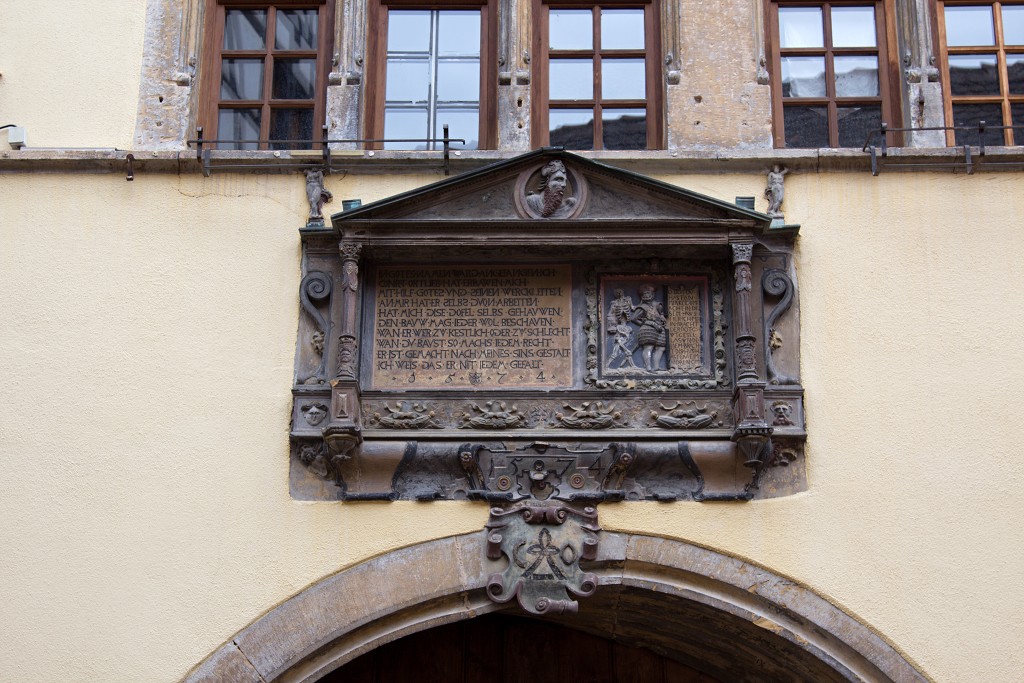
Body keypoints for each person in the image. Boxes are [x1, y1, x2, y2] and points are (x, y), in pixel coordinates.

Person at [633, 285, 667, 372]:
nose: (647, 296)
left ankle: (656, 367)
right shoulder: (642, 307)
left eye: (648, 294)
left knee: (661, 347)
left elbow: (661, 313)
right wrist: (646, 323)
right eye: (644, 294)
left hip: (659, 328)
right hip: (648, 329)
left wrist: (662, 317)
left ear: (652, 295)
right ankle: (648, 367)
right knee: (649, 347)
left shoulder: (657, 305)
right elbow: (634, 318)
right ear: (642, 296)